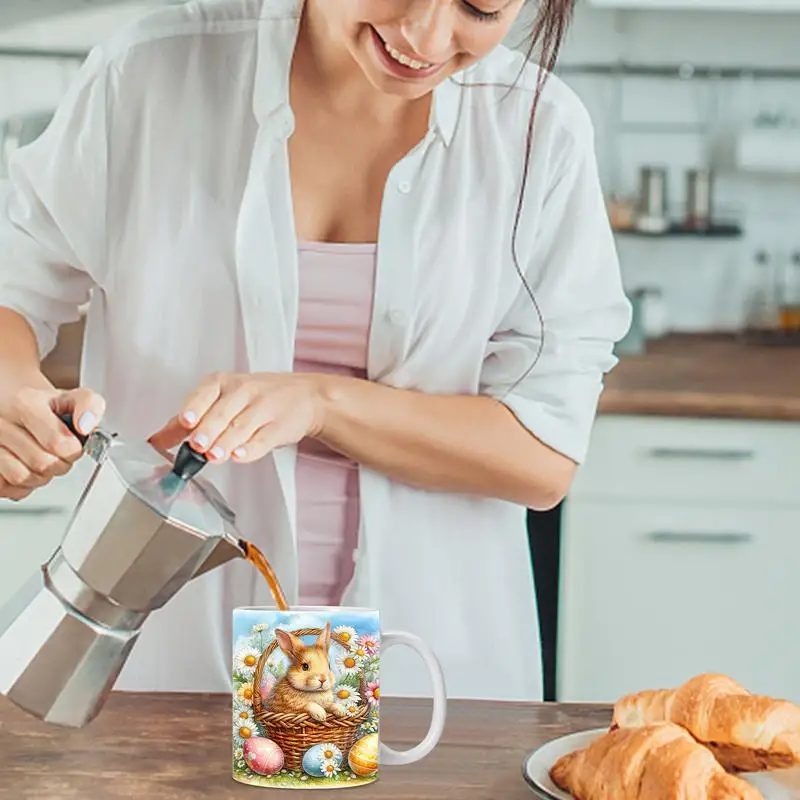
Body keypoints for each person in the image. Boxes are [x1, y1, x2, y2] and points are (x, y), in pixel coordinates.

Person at [0, 0, 631, 701]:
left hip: (433, 695)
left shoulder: (540, 133)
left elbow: (543, 454)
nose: (425, 38)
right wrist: (13, 394)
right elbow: (13, 280)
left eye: (480, 8)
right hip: (168, 682)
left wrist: (322, 402)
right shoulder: (152, 73)